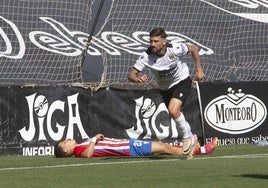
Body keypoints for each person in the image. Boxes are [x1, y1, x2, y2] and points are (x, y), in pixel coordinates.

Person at [127, 27, 205, 155]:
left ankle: (187, 138)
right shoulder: (146, 56)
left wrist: (199, 70)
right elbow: (131, 74)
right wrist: (137, 79)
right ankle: (193, 138)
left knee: (173, 110)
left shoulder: (175, 48)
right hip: (165, 88)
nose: (152, 44)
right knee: (174, 112)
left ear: (164, 41)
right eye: (151, 41)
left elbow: (193, 48)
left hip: (182, 80)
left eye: (156, 41)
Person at [54, 134, 218, 159]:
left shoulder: (79, 144)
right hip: (129, 148)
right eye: (64, 142)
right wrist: (94, 139)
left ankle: (201, 149)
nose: (67, 139)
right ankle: (200, 149)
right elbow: (88, 154)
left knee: (164, 147)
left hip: (128, 145)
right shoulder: (77, 150)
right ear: (66, 150)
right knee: (164, 147)